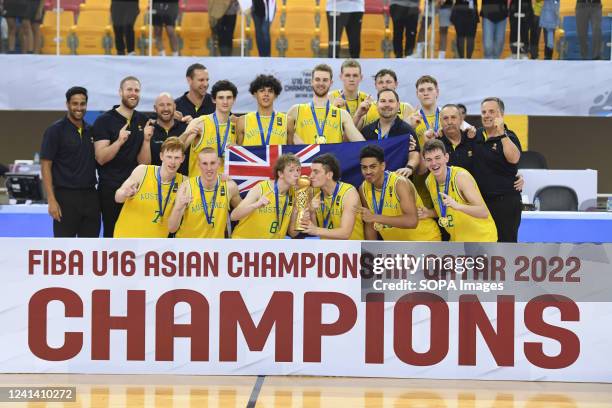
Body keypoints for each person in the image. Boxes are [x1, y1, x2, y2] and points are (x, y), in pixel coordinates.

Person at [93, 76, 149, 237]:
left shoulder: (143, 120)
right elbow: (101, 158)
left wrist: (145, 140)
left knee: (136, 237)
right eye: (129, 89)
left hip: (136, 190)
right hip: (111, 189)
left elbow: (144, 163)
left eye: (137, 90)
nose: (133, 93)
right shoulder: (104, 121)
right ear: (120, 92)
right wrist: (119, 141)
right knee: (113, 236)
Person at [40, 86, 100, 237]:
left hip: (91, 197)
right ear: (67, 104)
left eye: (82, 104)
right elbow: (46, 165)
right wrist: (51, 200)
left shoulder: (91, 130)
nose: (79, 108)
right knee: (64, 249)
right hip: (65, 198)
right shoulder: (54, 131)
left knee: (91, 249)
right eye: (75, 103)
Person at [358, 145, 440, 241]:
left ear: (382, 166)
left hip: (425, 239)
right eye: (364, 167)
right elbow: (370, 224)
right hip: (395, 246)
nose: (368, 171)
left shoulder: (399, 183)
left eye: (373, 167)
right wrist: (370, 250)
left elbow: (412, 221)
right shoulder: (363, 188)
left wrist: (376, 217)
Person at [421, 139, 498, 242]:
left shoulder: (461, 177)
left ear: (446, 157)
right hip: (458, 241)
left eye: (437, 158)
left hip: (481, 239)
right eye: (429, 159)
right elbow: (445, 209)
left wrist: (457, 206)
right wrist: (429, 213)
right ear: (425, 162)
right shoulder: (429, 181)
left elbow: (483, 212)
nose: (434, 163)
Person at [470, 97, 522, 242]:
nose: (486, 115)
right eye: (483, 112)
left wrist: (501, 133)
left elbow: (514, 159)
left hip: (505, 203)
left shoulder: (509, 136)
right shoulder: (475, 135)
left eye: (492, 111)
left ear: (501, 115)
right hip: (480, 204)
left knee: (505, 247)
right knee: (482, 249)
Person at [113, 137, 186, 237]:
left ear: (182, 159)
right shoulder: (143, 171)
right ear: (161, 156)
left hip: (155, 245)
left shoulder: (184, 183)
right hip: (127, 238)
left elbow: (173, 228)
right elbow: (117, 197)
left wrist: (180, 207)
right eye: (169, 157)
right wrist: (125, 193)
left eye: (176, 157)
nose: (172, 162)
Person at [169, 148, 242, 238]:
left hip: (214, 248)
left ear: (218, 164)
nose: (209, 168)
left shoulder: (229, 187)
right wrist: (178, 208)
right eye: (204, 163)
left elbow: (243, 214)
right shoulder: (186, 187)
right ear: (198, 165)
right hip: (188, 247)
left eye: (212, 163)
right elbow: (172, 228)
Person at [287, 64, 364, 144]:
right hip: (306, 156)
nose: (321, 83)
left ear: (331, 83)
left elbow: (360, 143)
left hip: (331, 156)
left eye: (325, 80)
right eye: (317, 79)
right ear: (311, 82)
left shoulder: (342, 114)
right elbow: (280, 134)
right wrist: (294, 137)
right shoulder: (296, 110)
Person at [231, 153, 301, 239]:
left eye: (298, 170)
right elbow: (234, 216)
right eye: (291, 170)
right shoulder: (261, 188)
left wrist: (298, 213)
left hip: (271, 249)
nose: (296, 174)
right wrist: (255, 205)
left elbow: (293, 234)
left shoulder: (295, 195)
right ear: (280, 174)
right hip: (245, 244)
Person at [181, 80, 238, 177]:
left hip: (224, 187)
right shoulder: (200, 122)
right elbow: (178, 150)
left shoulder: (236, 125)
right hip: (199, 188)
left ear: (234, 99)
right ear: (214, 100)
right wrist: (185, 134)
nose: (225, 102)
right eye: (221, 98)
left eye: (229, 97)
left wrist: (237, 150)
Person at [300, 154, 363, 240]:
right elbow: (314, 230)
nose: (311, 176)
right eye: (311, 171)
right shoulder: (313, 191)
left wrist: (315, 230)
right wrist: (312, 212)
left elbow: (345, 233)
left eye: (316, 172)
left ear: (329, 175)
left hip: (352, 250)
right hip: (328, 250)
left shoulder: (349, 193)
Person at [360, 89, 420, 179]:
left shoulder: (406, 130)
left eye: (391, 101)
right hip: (371, 186)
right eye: (383, 101)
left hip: (398, 185)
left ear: (398, 105)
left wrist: (409, 168)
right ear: (377, 105)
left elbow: (414, 154)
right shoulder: (366, 131)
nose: (387, 105)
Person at [406, 75, 443, 208]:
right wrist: (409, 128)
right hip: (420, 175)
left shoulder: (447, 116)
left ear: (437, 92)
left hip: (445, 174)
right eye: (422, 90)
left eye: (429, 89)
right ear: (417, 94)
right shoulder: (411, 120)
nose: (426, 93)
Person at [137, 92, 189, 175]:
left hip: (181, 184)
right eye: (161, 105)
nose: (166, 108)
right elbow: (143, 166)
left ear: (174, 107)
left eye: (169, 104)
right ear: (155, 108)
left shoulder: (185, 128)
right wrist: (146, 140)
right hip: (154, 184)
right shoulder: (147, 131)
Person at [236, 74, 287, 146]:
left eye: (270, 91)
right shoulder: (242, 121)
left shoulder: (287, 121)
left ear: (275, 95)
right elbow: (238, 153)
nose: (266, 94)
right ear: (255, 94)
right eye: (262, 91)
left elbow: (290, 153)